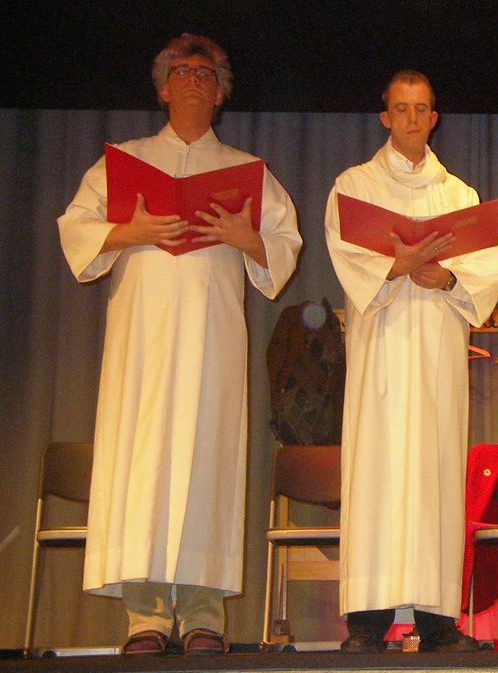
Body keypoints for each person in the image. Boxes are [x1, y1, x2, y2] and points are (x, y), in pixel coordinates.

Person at [57, 33, 302, 654]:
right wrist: (130, 230)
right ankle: (144, 617)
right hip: (141, 338)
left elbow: (284, 248)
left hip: (212, 339)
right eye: (182, 71)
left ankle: (202, 616)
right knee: (142, 461)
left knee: (207, 459)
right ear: (163, 88)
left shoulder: (246, 171)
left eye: (205, 73)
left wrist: (247, 238)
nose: (194, 79)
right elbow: (76, 230)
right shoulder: (124, 162)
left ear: (220, 94)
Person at [324, 70, 498, 653]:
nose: (411, 118)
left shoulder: (458, 195)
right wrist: (398, 267)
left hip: (435, 352)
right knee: (376, 474)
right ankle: (367, 621)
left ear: (434, 117)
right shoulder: (355, 186)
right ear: (385, 116)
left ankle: (436, 620)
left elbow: (490, 264)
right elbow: (347, 256)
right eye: (401, 108)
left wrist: (448, 277)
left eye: (421, 108)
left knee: (435, 474)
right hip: (381, 351)